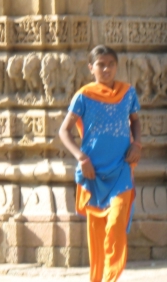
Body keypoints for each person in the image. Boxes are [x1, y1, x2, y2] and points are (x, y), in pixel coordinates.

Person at [58, 45, 142, 282]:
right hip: (93, 172)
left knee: (116, 223)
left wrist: (137, 145)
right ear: (91, 68)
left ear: (117, 66)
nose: (106, 69)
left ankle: (110, 278)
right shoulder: (83, 96)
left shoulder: (128, 93)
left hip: (121, 169)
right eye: (101, 64)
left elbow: (135, 121)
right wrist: (81, 158)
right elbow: (64, 131)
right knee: (97, 231)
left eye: (111, 64)